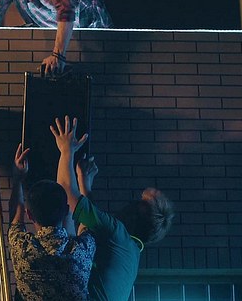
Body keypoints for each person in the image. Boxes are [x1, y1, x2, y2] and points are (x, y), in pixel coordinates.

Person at [51, 116, 174, 301]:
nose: (129, 203)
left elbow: (65, 194)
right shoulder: (131, 253)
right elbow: (92, 231)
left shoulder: (117, 233)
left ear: (134, 216)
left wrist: (66, 150)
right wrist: (85, 183)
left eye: (137, 202)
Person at [8, 142, 96, 301]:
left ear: (30, 215)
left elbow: (15, 212)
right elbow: (88, 218)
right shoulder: (81, 249)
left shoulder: (22, 248)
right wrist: (84, 180)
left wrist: (17, 178)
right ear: (66, 211)